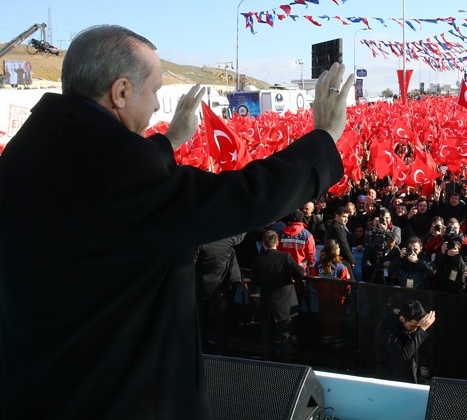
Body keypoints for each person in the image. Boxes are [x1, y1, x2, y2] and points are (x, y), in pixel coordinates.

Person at [0, 25, 353, 419]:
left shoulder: (29, 149)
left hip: (42, 385)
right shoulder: (116, 168)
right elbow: (239, 198)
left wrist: (169, 142)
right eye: (153, 90)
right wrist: (322, 140)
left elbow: (114, 199)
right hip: (116, 397)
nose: (155, 105)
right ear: (120, 93)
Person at [250, 230, 306, 361]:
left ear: (263, 243)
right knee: (285, 336)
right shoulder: (285, 257)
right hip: (285, 303)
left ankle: (269, 362)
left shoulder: (258, 260)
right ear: (277, 242)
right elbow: (301, 273)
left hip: (267, 302)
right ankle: (286, 364)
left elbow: (255, 282)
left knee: (267, 335)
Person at [374, 299, 437, 383]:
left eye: (417, 327)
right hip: (389, 378)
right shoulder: (386, 328)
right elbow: (404, 354)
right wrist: (422, 330)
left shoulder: (413, 329)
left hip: (409, 377)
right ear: (402, 318)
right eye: (412, 326)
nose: (415, 330)